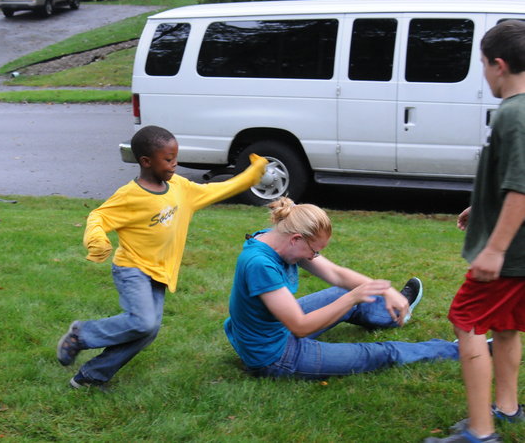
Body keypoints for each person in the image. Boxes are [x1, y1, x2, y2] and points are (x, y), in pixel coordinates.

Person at [56, 125, 269, 389]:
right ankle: (81, 335)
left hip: (159, 273)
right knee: (142, 322)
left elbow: (217, 190)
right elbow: (99, 217)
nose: (174, 164)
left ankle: (91, 376)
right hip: (132, 268)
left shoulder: (180, 187)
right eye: (168, 159)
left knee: (147, 331)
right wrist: (97, 239)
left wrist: (250, 176)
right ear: (146, 161)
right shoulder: (130, 195)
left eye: (175, 158)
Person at [224, 197, 459, 381]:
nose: (313, 257)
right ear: (296, 239)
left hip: (274, 328)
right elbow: (300, 326)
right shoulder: (260, 264)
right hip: (273, 356)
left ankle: (396, 312)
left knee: (343, 292)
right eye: (313, 251)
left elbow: (336, 274)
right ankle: (454, 350)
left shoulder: (276, 237)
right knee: (381, 353)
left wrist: (386, 291)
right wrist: (353, 298)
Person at [424, 20, 525, 443]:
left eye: (482, 65)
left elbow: (521, 187)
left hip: (511, 255)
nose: (484, 74)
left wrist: (495, 249)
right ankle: (507, 408)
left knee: (466, 322)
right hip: (518, 253)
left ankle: (481, 433)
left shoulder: (514, 114)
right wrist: (480, 208)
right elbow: (509, 178)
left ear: (498, 65)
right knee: (506, 324)